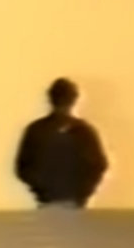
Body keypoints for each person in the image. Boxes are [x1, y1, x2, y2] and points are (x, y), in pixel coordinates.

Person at [14, 78, 108, 208]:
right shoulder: (84, 131)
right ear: (75, 100)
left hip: (49, 201)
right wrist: (84, 191)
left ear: (50, 99)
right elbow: (99, 166)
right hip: (70, 202)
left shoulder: (36, 130)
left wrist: (40, 187)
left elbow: (22, 168)